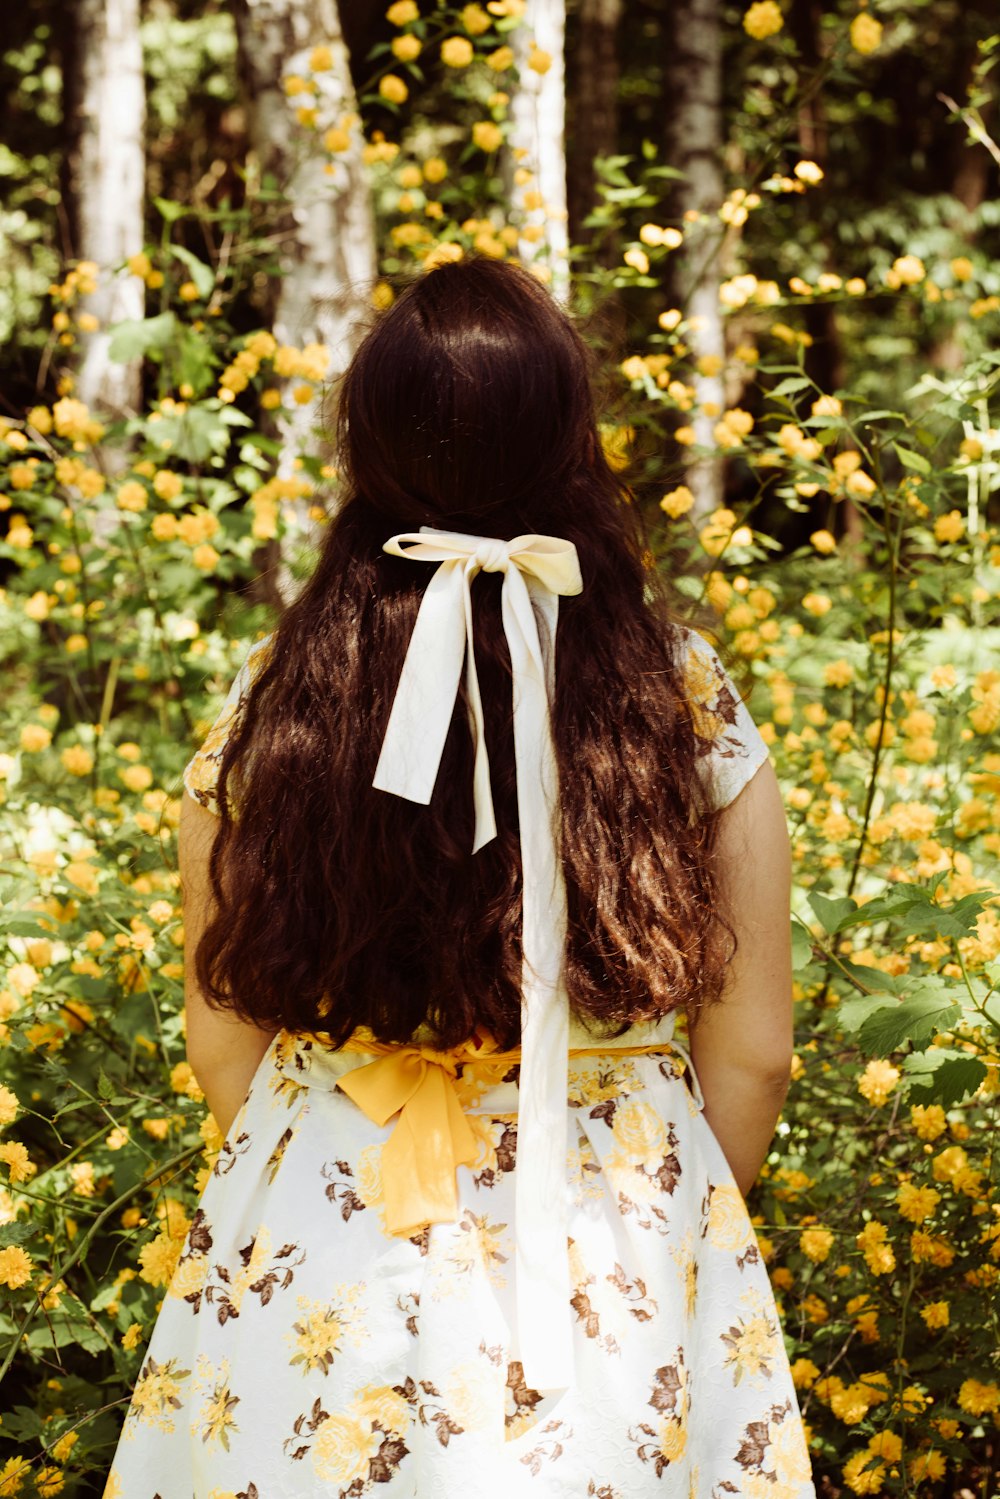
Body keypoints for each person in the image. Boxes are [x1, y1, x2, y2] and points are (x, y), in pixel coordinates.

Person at [104, 255, 815, 1499]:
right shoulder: (682, 693)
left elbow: (221, 1030)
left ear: (364, 447)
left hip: (332, 1220)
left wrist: (335, 1166)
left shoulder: (278, 698)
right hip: (615, 1245)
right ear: (570, 443)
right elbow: (751, 1051)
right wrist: (660, 1215)